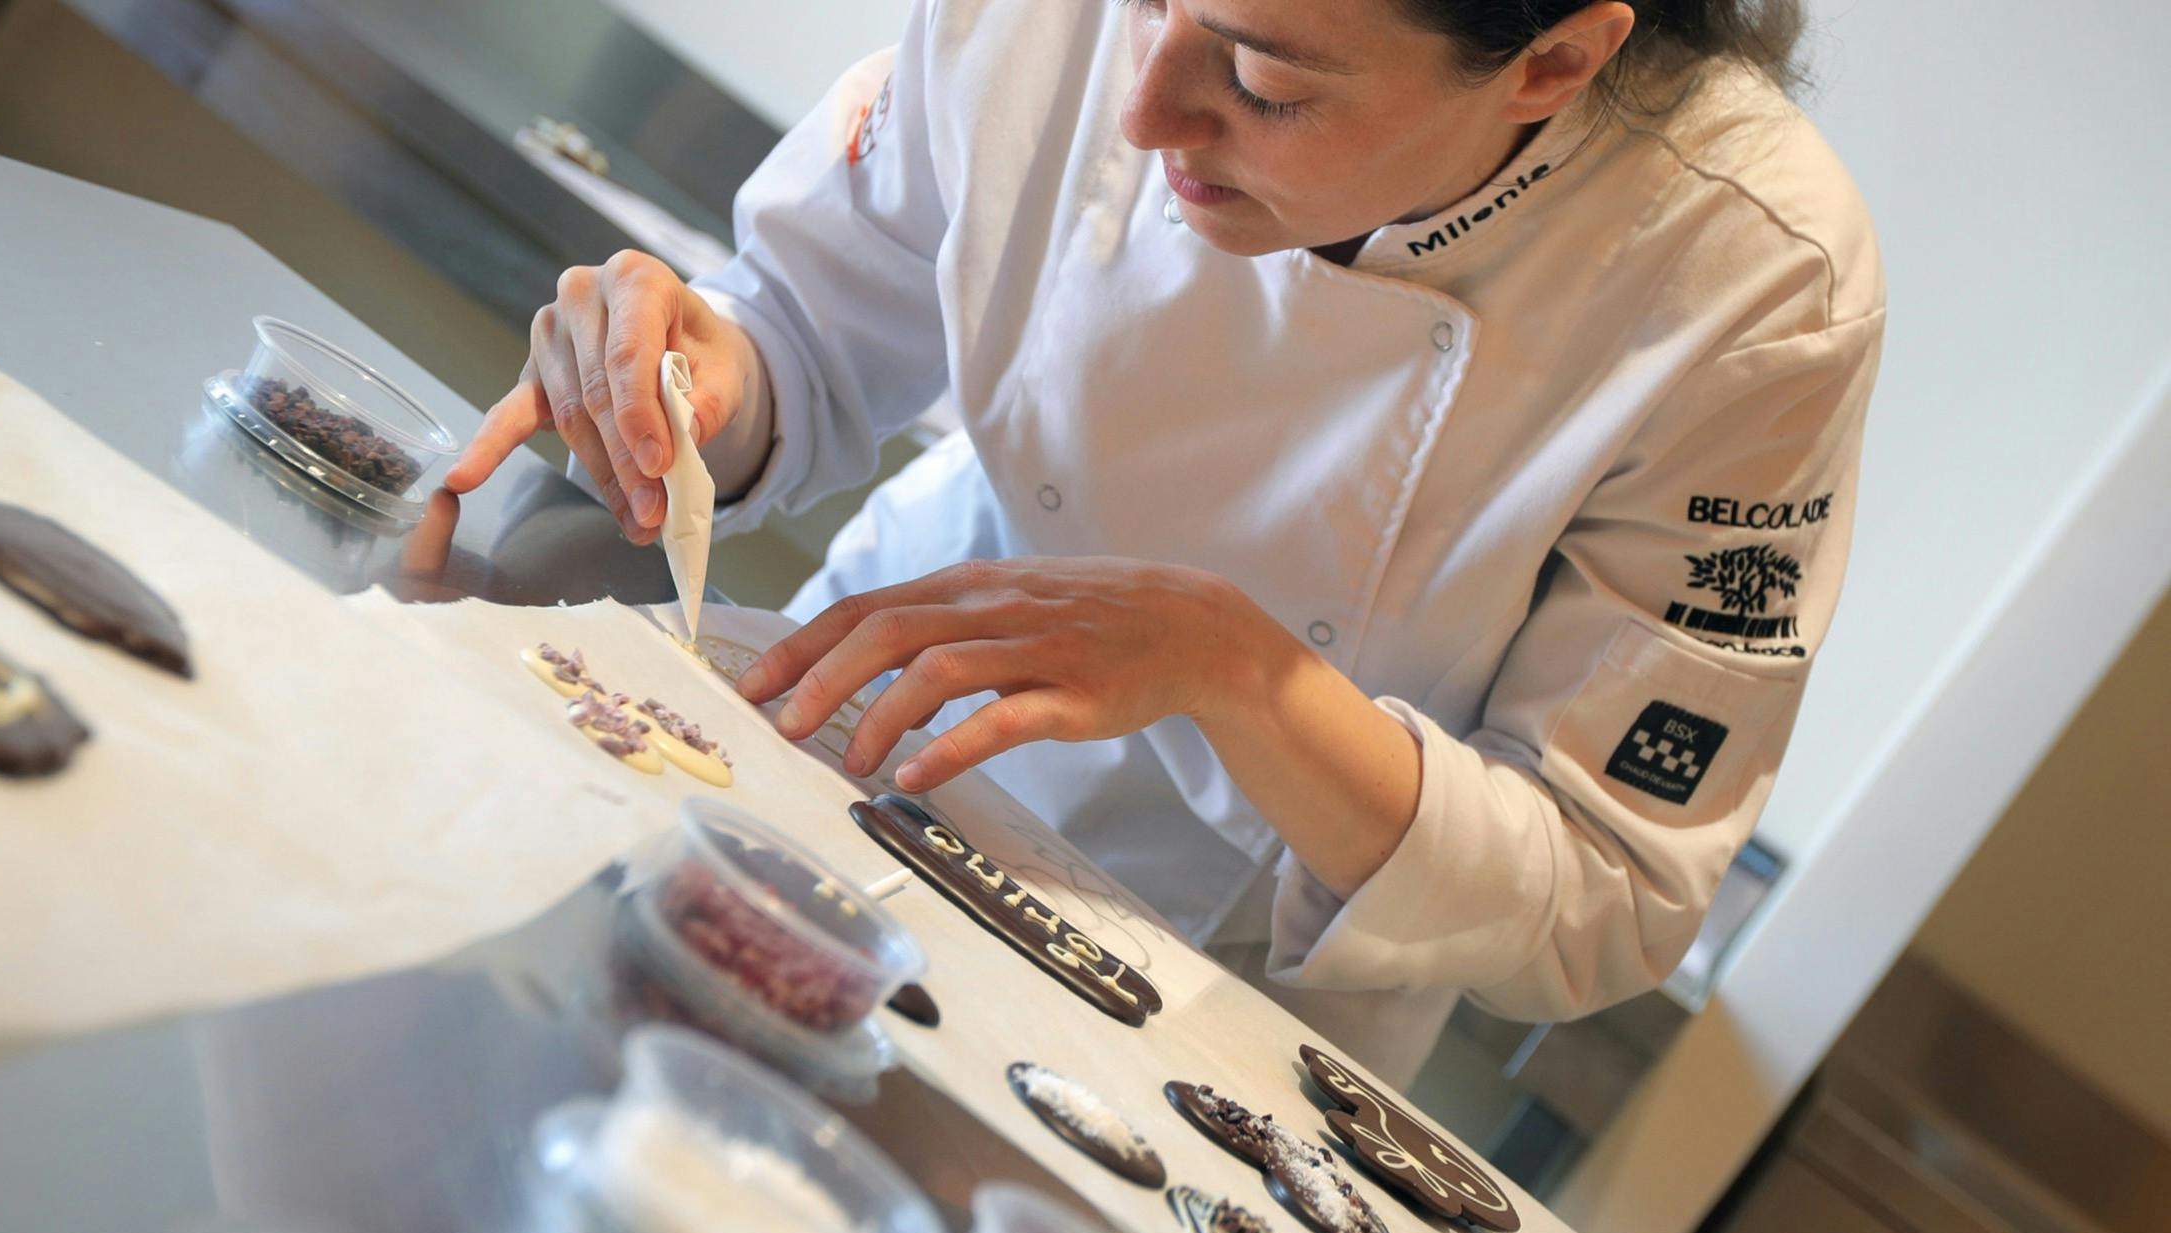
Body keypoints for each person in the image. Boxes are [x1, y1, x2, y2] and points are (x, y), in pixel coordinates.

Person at [446, 0, 1883, 1085]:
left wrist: (1240, 674)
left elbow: (1602, 888)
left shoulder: (1749, 285)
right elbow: (810, 331)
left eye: (1261, 82)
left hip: (1212, 1031)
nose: (1143, 112)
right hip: (831, 747)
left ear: (1555, 61)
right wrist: (690, 379)